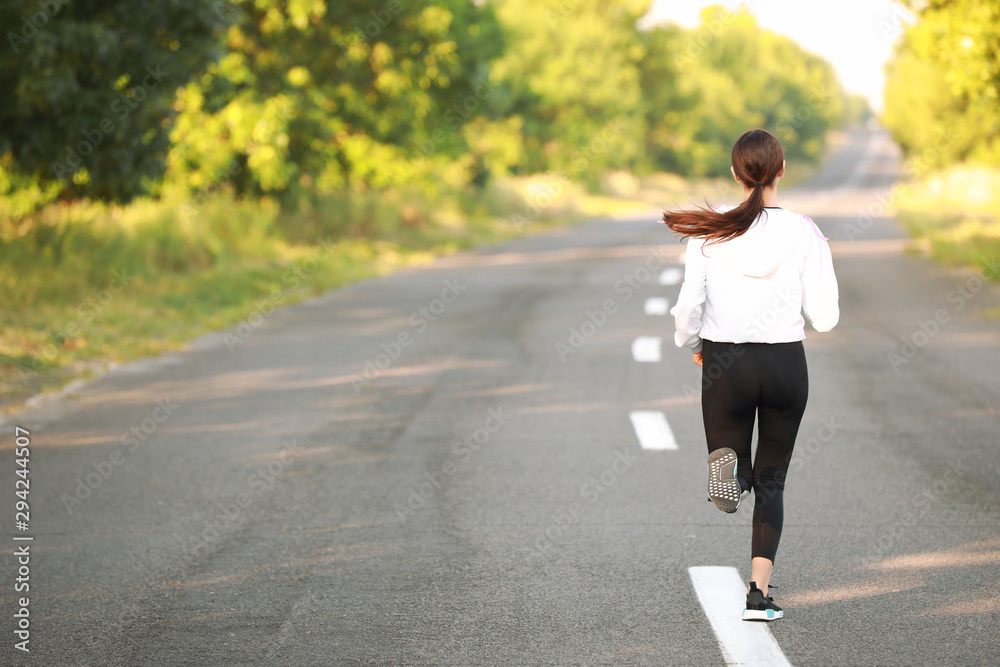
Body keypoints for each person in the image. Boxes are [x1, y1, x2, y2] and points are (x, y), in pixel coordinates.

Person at [662, 129, 839, 622]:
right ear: (781, 171)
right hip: (785, 365)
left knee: (731, 447)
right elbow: (825, 317)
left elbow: (688, 307)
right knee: (774, 480)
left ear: (736, 174)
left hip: (727, 363)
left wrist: (695, 346)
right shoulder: (805, 231)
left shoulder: (710, 231)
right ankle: (757, 595)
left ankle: (732, 471)